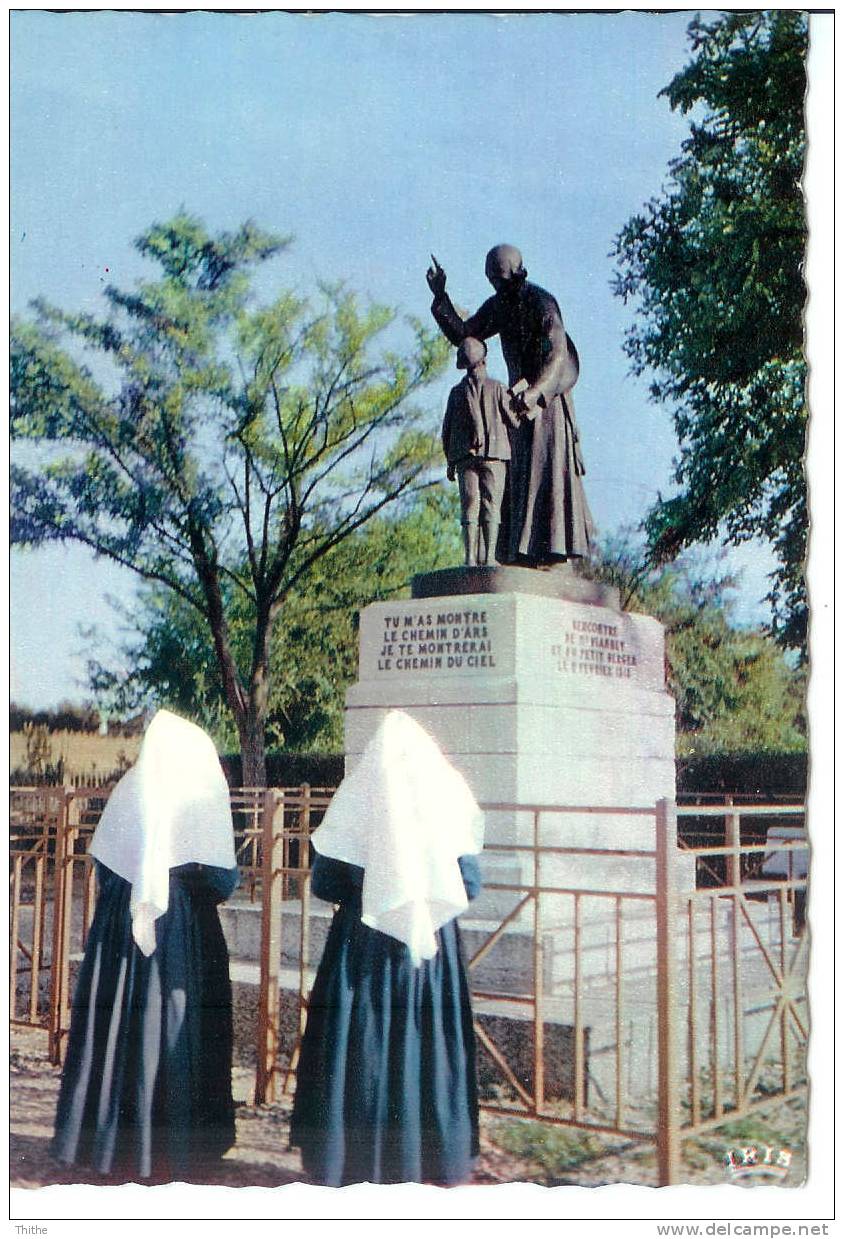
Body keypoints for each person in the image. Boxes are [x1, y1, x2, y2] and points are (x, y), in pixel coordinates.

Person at [290, 710, 484, 1186]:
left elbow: (326, 882)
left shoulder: (357, 795)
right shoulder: (448, 793)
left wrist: (371, 884)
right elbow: (470, 883)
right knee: (424, 1043)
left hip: (361, 948)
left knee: (360, 1046)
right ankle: (427, 1159)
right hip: (430, 950)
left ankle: (351, 1160)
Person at [52, 709, 239, 1182]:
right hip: (180, 932)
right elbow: (222, 880)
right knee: (169, 1026)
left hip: (118, 929)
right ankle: (169, 1146)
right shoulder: (197, 798)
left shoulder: (128, 791)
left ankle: (107, 1140)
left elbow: (106, 866)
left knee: (116, 1026)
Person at [427, 244, 594, 565]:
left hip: (547, 401)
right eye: (493, 281)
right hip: (516, 403)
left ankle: (552, 553)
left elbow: (558, 355)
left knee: (546, 472)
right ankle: (517, 553)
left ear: (518, 274)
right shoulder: (499, 305)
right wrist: (440, 298)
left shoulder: (541, 302)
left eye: (501, 279)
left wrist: (535, 392)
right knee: (512, 472)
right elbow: (466, 335)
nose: (497, 286)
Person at [441, 336, 519, 566]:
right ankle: (483, 557)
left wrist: (450, 460)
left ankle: (476, 558)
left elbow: (447, 430)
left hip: (473, 456)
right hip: (487, 456)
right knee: (485, 505)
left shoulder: (459, 392)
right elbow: (514, 422)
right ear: (483, 361)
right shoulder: (497, 389)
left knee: (474, 505)